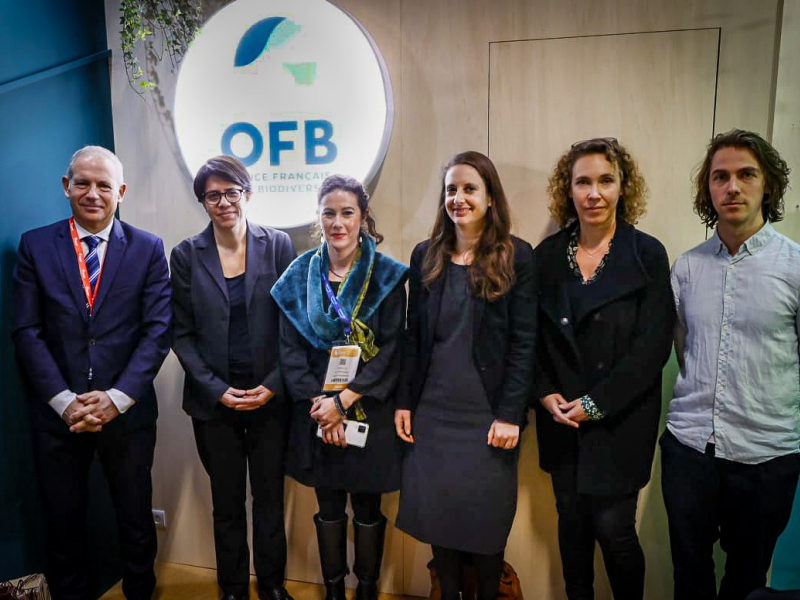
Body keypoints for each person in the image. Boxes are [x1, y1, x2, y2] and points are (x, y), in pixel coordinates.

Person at [11, 146, 171, 600]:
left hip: (128, 415)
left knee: (136, 520)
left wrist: (117, 397)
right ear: (66, 187)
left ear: (120, 192)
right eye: (83, 182)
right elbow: (27, 331)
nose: (93, 193)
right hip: (57, 417)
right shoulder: (36, 246)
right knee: (62, 525)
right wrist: (64, 402)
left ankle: (141, 591)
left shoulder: (148, 248)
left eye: (104, 185)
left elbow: (158, 332)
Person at [533, 137, 674, 600]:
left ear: (622, 188)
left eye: (605, 181)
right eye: (583, 182)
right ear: (568, 190)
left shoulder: (646, 253)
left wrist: (598, 404)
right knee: (571, 527)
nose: (594, 193)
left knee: (615, 533)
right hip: (562, 422)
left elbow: (652, 347)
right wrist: (544, 392)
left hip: (620, 421)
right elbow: (531, 338)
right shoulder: (547, 256)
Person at [661, 129, 800, 600]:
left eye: (746, 175)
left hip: (767, 456)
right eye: (720, 177)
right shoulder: (686, 267)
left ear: (768, 186)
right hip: (689, 448)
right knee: (689, 577)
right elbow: (684, 348)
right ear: (708, 189)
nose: (732, 187)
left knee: (747, 583)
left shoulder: (795, 267)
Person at [395, 150, 535, 600]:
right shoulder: (426, 255)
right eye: (451, 189)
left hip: (488, 416)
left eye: (469, 188)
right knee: (442, 522)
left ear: (490, 197)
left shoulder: (518, 256)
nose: (458, 197)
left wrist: (512, 412)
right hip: (433, 414)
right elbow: (413, 337)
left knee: (486, 528)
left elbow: (524, 343)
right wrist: (403, 401)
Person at [271, 175, 408, 600]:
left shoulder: (386, 275)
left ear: (363, 217)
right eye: (329, 212)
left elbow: (392, 349)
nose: (338, 222)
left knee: (368, 505)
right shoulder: (297, 276)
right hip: (316, 413)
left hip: (367, 408)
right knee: (328, 504)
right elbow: (289, 350)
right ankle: (333, 591)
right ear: (319, 217)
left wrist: (345, 400)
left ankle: (366, 589)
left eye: (347, 212)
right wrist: (322, 405)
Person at [170, 156, 296, 600]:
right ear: (202, 201)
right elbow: (181, 334)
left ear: (247, 192)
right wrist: (217, 389)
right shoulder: (186, 254)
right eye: (212, 195)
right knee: (226, 505)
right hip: (213, 405)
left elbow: (293, 324)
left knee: (269, 501)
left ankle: (274, 585)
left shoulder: (278, 244)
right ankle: (232, 590)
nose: (223, 202)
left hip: (270, 400)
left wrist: (276, 384)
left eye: (231, 192)